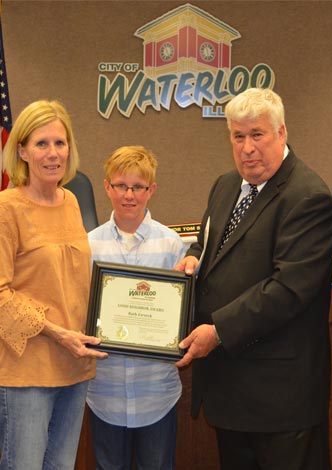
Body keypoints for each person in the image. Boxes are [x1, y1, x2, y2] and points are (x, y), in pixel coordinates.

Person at [174, 88, 332, 470]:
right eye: (238, 136)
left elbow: (287, 289)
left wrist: (217, 330)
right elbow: (209, 242)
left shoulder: (308, 196)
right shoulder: (226, 185)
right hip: (231, 390)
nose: (247, 147)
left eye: (257, 135)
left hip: (280, 399)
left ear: (281, 133)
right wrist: (193, 258)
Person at [0, 100, 106, 470]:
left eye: (60, 143)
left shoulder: (73, 201)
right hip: (27, 370)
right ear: (22, 151)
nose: (53, 153)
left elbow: (74, 280)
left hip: (74, 365)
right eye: (42, 144)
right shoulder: (7, 209)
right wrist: (56, 332)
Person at [86, 145, 186, 470]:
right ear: (107, 187)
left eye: (138, 187)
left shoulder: (172, 246)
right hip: (104, 392)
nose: (129, 195)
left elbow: (182, 315)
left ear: (151, 190)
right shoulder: (88, 245)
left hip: (156, 393)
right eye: (120, 186)